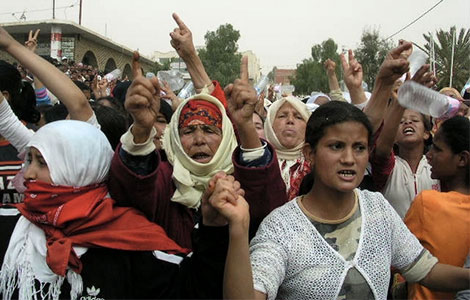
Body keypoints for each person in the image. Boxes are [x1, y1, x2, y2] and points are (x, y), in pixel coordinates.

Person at [223, 101, 470, 300]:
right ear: (310, 153)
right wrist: (238, 228)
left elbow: (426, 270)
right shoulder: (282, 227)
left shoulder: (378, 210)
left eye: (360, 148)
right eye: (336, 146)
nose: (349, 158)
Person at [0, 120, 249, 300]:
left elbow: (193, 290)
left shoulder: (129, 241)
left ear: (79, 167)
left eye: (43, 162)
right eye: (29, 160)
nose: (29, 174)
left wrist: (214, 229)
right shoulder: (8, 227)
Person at [404, 116, 470, 300]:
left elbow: (396, 260)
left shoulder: (428, 203)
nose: (428, 154)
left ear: (462, 159)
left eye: (437, 149)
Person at [370, 64, 440, 218]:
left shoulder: (438, 166)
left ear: (427, 133)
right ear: (393, 137)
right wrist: (403, 100)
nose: (408, 123)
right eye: (401, 122)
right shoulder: (388, 168)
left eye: (414, 120)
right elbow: (381, 148)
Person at [264, 95, 311, 200]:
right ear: (270, 124)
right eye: (282, 116)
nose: (290, 120)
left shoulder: (318, 165)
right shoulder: (257, 163)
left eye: (298, 117)